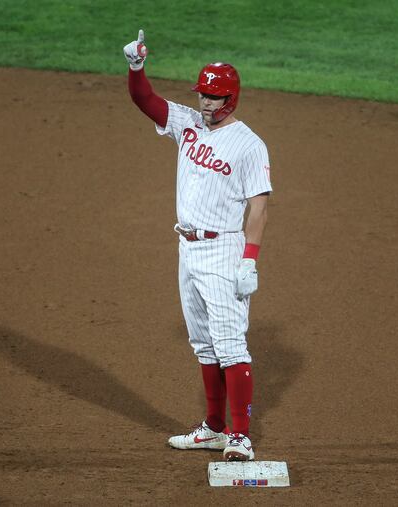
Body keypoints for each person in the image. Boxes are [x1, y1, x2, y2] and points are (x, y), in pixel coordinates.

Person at [123, 30, 272, 461]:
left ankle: (240, 435)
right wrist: (136, 68)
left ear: (231, 98)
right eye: (203, 94)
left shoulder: (249, 145)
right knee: (203, 344)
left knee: (231, 346)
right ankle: (213, 427)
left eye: (213, 96)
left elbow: (259, 208)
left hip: (224, 250)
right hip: (187, 249)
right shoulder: (187, 122)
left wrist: (250, 261)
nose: (205, 102)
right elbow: (145, 101)